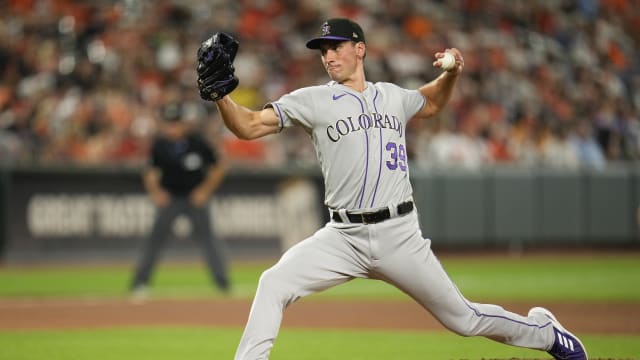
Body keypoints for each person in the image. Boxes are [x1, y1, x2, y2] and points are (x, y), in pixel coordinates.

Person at [202, 18, 587, 360]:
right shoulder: (312, 100)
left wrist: (451, 75)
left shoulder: (391, 96)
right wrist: (222, 97)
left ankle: (544, 332)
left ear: (360, 49)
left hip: (399, 234)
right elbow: (249, 126)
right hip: (343, 236)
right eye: (323, 50)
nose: (328, 56)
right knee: (274, 282)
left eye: (336, 46)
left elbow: (431, 102)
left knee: (464, 320)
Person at [130, 101, 230, 299]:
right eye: (169, 123)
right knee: (154, 241)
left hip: (195, 198)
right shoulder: (160, 145)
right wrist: (156, 193)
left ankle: (222, 284)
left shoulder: (197, 141)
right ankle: (140, 283)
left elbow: (220, 167)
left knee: (208, 240)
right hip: (171, 198)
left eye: (176, 123)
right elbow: (149, 171)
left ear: (183, 123)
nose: (172, 127)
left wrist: (204, 191)